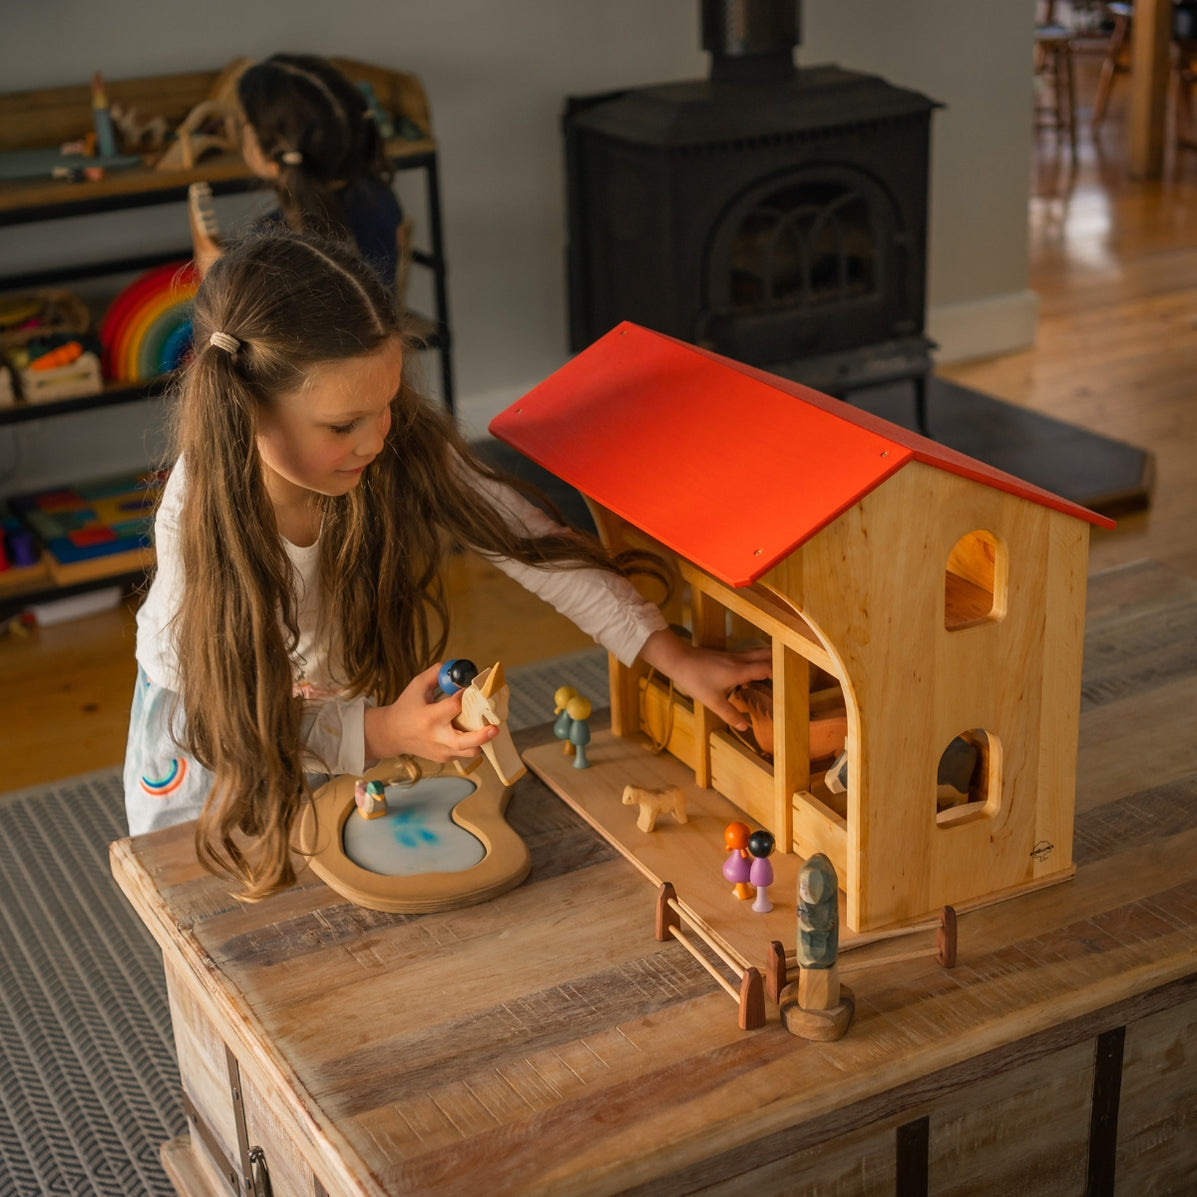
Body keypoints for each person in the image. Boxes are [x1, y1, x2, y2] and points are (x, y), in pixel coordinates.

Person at [124, 231, 771, 900]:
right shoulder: (197, 527)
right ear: (248, 414)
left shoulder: (380, 436)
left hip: (329, 719)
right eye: (345, 424)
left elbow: (524, 540)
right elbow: (229, 725)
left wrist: (672, 653)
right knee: (217, 917)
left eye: (387, 405)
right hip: (211, 750)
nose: (377, 438)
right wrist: (377, 731)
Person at [190, 54, 404, 288]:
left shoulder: (270, 242)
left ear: (273, 152)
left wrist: (215, 272)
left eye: (243, 126)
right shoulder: (380, 197)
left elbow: (242, 320)